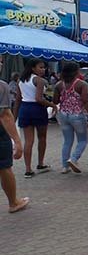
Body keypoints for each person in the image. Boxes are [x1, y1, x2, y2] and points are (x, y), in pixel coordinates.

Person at [14, 59, 56, 178]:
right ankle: (40, 163)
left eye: (44, 68)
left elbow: (18, 99)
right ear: (33, 68)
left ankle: (28, 169)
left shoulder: (21, 80)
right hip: (37, 109)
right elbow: (39, 98)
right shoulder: (40, 80)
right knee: (42, 137)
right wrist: (52, 105)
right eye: (41, 67)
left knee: (28, 141)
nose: (43, 70)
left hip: (24, 109)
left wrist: (14, 117)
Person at [0, 60, 29, 213]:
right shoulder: (2, 86)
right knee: (4, 167)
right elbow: (5, 115)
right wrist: (17, 141)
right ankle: (13, 202)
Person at [53, 62, 88, 174]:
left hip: (63, 115)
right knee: (83, 140)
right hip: (77, 115)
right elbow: (85, 100)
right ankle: (73, 159)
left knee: (67, 141)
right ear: (76, 72)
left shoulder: (59, 85)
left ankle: (65, 166)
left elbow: (55, 101)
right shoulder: (82, 84)